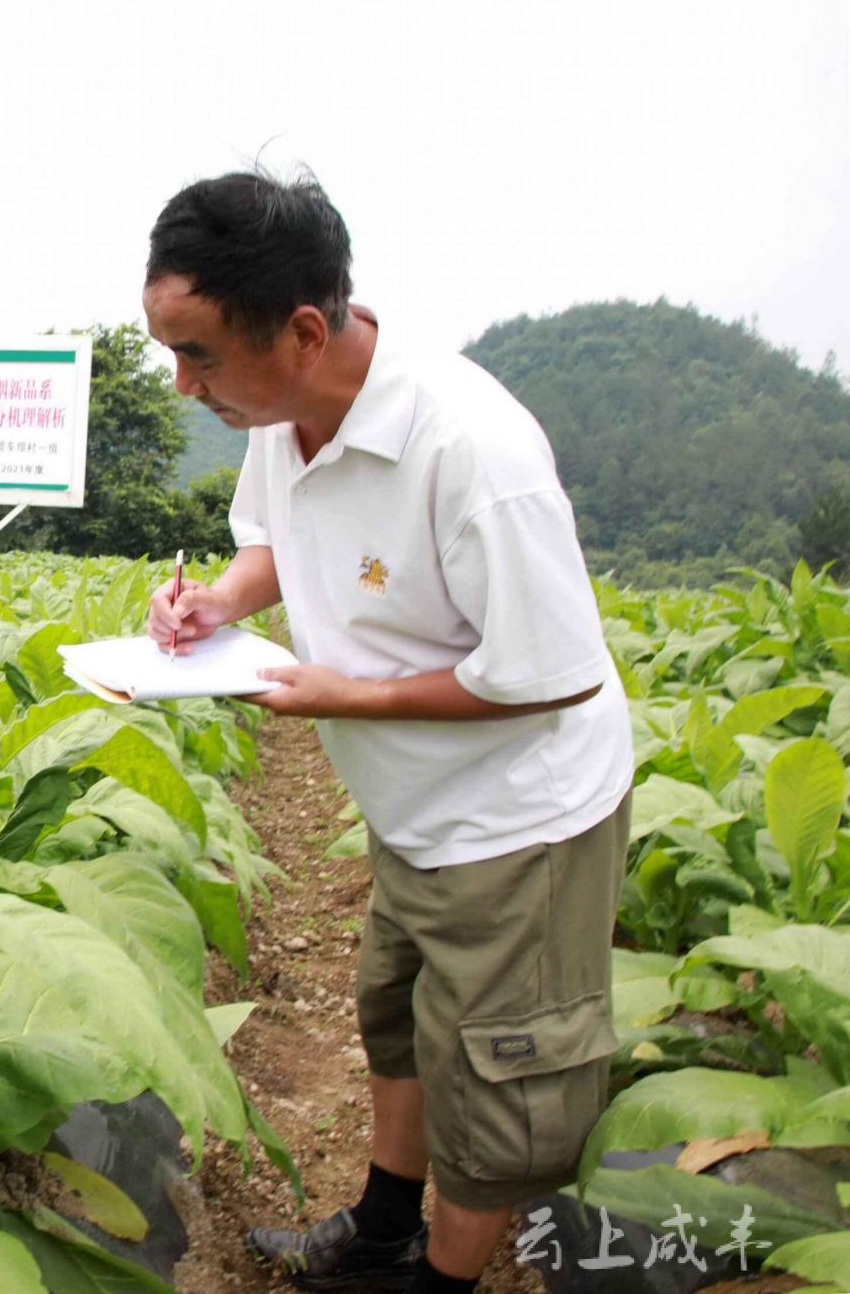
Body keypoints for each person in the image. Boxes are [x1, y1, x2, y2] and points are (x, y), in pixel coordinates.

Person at [142, 172, 633, 1294]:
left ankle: (441, 1282)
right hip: (414, 810)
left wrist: (343, 699)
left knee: (495, 1078)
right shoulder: (284, 414)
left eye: (200, 354)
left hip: (520, 819)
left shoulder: (473, 454)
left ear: (305, 330)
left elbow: (545, 679)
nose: (183, 385)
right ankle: (381, 1231)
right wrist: (219, 602)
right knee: (401, 1018)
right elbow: (276, 543)